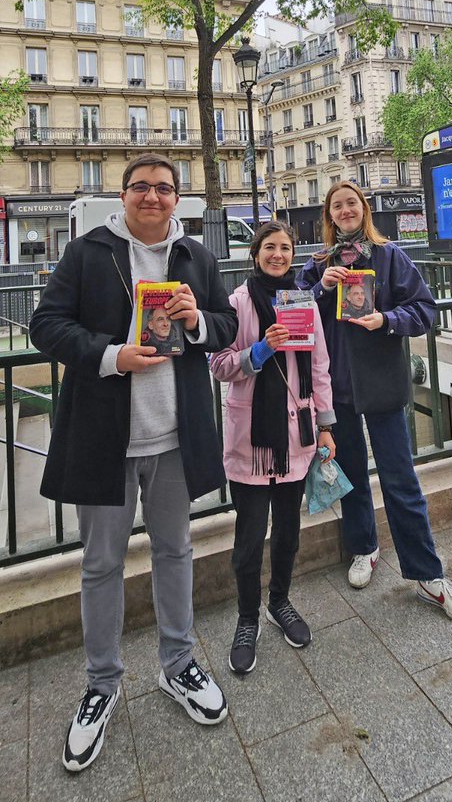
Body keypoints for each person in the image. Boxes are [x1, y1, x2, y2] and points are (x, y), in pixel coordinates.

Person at [29, 153, 238, 772]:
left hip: (175, 439)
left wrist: (199, 320)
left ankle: (178, 664)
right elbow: (46, 325)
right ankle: (102, 684)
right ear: (123, 195)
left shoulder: (195, 257)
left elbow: (226, 327)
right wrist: (111, 355)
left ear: (178, 199)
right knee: (101, 565)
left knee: (175, 551)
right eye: (142, 187)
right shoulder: (89, 251)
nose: (153, 197)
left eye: (164, 189)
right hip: (105, 439)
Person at [296, 181, 452, 625]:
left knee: (400, 479)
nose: (344, 211)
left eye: (351, 203)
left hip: (382, 385)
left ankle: (429, 574)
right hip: (336, 388)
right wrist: (320, 287)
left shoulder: (391, 257)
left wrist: (386, 320)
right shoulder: (318, 264)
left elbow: (425, 309)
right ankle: (364, 548)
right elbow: (293, 314)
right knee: (352, 475)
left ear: (364, 209)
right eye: (337, 206)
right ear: (329, 215)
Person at [210, 221, 336, 675]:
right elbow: (219, 364)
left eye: (285, 248)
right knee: (248, 541)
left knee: (288, 532)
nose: (278, 254)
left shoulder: (303, 302)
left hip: (297, 435)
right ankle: (247, 618)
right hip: (252, 440)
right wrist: (260, 351)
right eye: (270, 247)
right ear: (255, 253)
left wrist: (325, 425)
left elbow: (319, 366)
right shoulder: (237, 303)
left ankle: (279, 602)